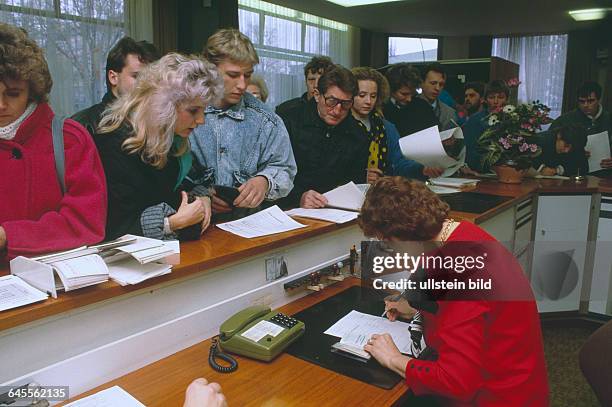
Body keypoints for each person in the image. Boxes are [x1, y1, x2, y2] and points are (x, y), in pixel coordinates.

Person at [359, 177, 549, 406]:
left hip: (498, 396)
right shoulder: (459, 232)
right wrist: (414, 306)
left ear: (405, 236)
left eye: (390, 243)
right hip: (523, 380)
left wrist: (393, 359)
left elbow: (457, 382)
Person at [0, 23, 107, 262]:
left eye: (13, 93)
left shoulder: (69, 139)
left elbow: (85, 223)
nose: (0, 105)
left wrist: (9, 235)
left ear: (32, 91)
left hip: (54, 287)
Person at [96, 53, 222, 241]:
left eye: (204, 111)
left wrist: (202, 197)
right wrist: (171, 223)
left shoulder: (170, 137)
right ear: (163, 105)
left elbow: (177, 188)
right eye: (193, 111)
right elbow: (114, 226)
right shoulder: (113, 143)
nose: (201, 120)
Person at [190, 29, 296, 220]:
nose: (242, 85)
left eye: (247, 75)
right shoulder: (185, 113)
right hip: (193, 227)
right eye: (233, 74)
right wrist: (199, 194)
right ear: (209, 70)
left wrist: (264, 182)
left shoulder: (266, 120)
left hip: (249, 225)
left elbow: (286, 169)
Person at [277, 65, 368, 208]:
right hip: (288, 208)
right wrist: (299, 197)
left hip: (336, 210)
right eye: (331, 101)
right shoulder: (288, 120)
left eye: (345, 104)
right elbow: (273, 173)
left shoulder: (358, 134)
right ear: (317, 95)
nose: (337, 111)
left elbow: (356, 183)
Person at [350, 67, 438, 181]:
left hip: (381, 190)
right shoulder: (340, 125)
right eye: (362, 95)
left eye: (373, 96)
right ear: (350, 94)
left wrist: (423, 169)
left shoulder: (386, 127)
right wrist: (359, 176)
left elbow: (399, 163)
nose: (368, 101)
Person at [71, 37, 160, 138]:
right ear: (113, 77)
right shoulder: (84, 125)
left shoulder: (158, 122)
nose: (147, 84)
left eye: (151, 77)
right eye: (137, 76)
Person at [552, 81, 612, 172]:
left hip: (605, 175)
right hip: (574, 173)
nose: (586, 105)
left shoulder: (609, 119)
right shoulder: (565, 120)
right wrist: (574, 153)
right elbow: (550, 148)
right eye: (582, 101)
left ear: (599, 100)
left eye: (590, 101)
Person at [461, 80, 511, 172]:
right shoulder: (474, 120)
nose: (496, 101)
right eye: (491, 97)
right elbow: (469, 151)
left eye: (500, 97)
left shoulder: (513, 120)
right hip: (481, 170)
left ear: (507, 99)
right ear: (485, 99)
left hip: (509, 169)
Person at [382, 63, 438, 137]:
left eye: (412, 94)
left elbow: (436, 131)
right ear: (391, 90)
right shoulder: (382, 110)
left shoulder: (423, 106)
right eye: (404, 94)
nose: (409, 99)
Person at [418, 63, 459, 131]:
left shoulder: (449, 114)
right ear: (421, 83)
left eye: (441, 84)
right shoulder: (408, 108)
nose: (437, 88)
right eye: (433, 83)